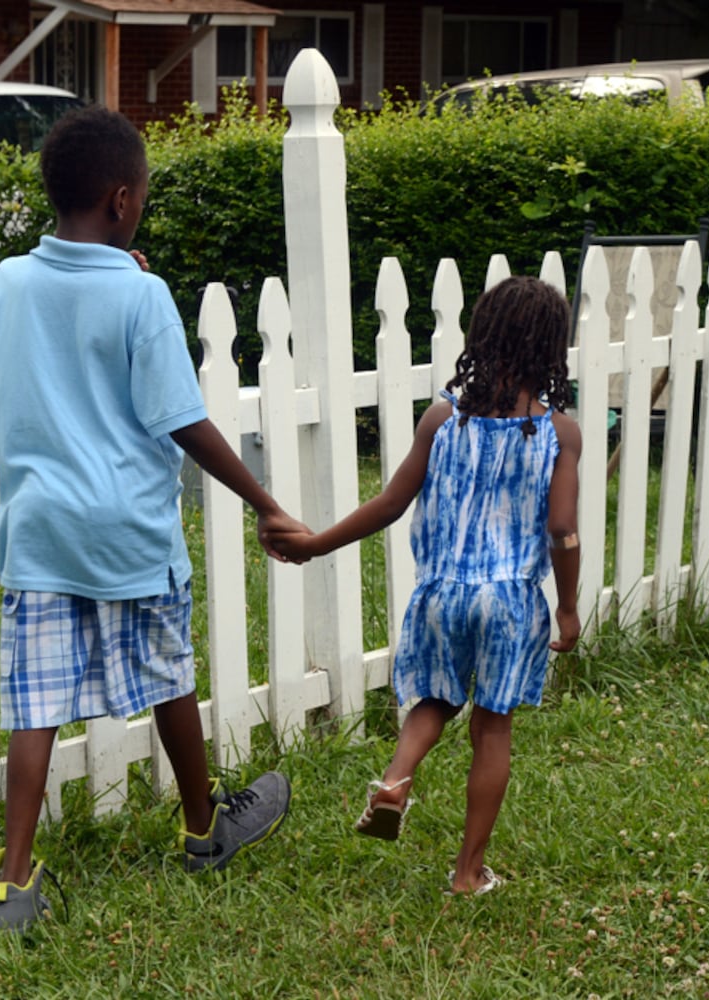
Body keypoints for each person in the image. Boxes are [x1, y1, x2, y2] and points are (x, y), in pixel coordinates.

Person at [0, 106, 308, 936]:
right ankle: (205, 830)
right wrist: (265, 502)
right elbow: (181, 420)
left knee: (35, 707)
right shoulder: (143, 293)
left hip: (41, 532)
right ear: (122, 201)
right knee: (169, 679)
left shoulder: (7, 282)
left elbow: (58, 315)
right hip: (128, 533)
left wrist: (117, 271)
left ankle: (13, 882)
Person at [271, 275, 582, 895]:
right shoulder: (558, 433)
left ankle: (396, 778)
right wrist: (567, 608)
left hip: (441, 593)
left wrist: (313, 545)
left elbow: (389, 504)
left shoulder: (442, 418)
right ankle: (468, 873)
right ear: (552, 348)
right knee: (492, 727)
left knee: (433, 702)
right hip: (511, 601)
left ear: (482, 337)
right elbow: (562, 529)